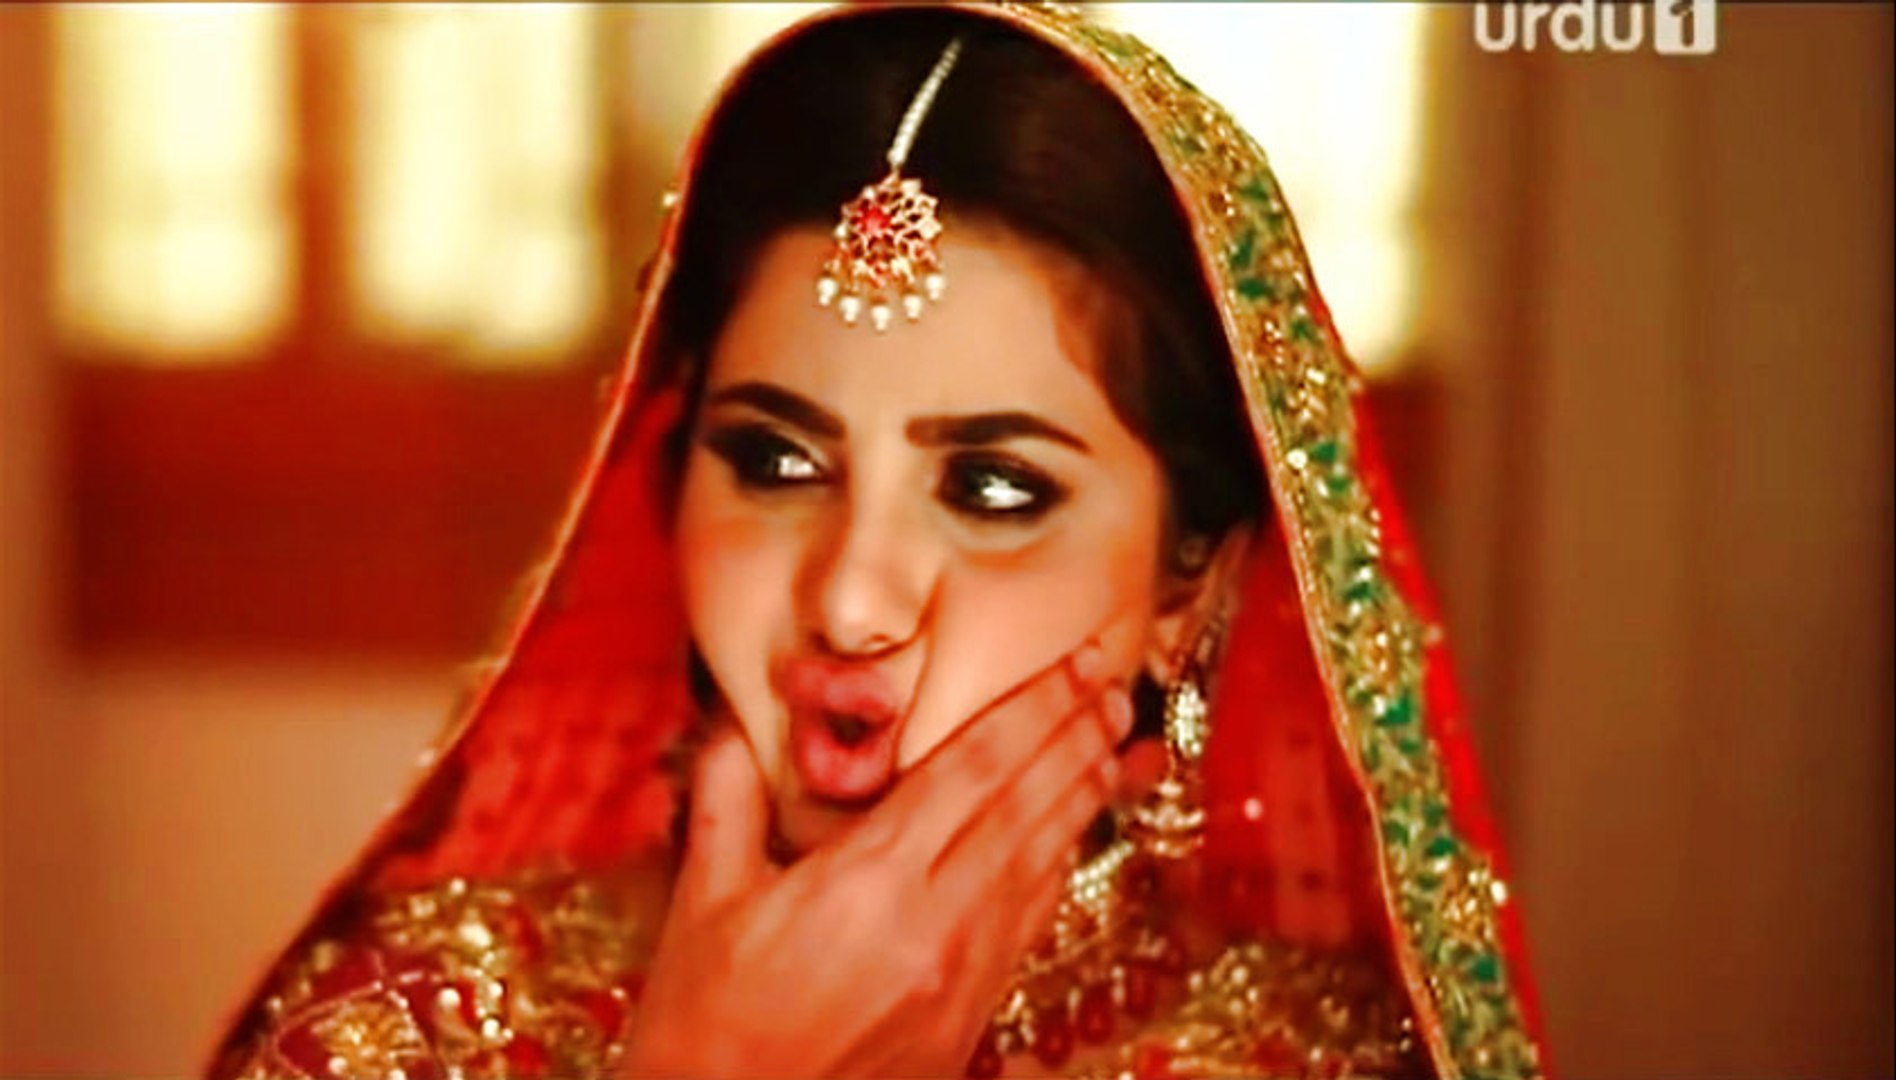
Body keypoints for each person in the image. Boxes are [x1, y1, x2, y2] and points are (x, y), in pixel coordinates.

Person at [206, 4, 1548, 1078]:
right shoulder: (405, 1029)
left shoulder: (1315, 1063)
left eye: (995, 489)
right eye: (774, 461)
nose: (850, 601)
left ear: (1185, 586)